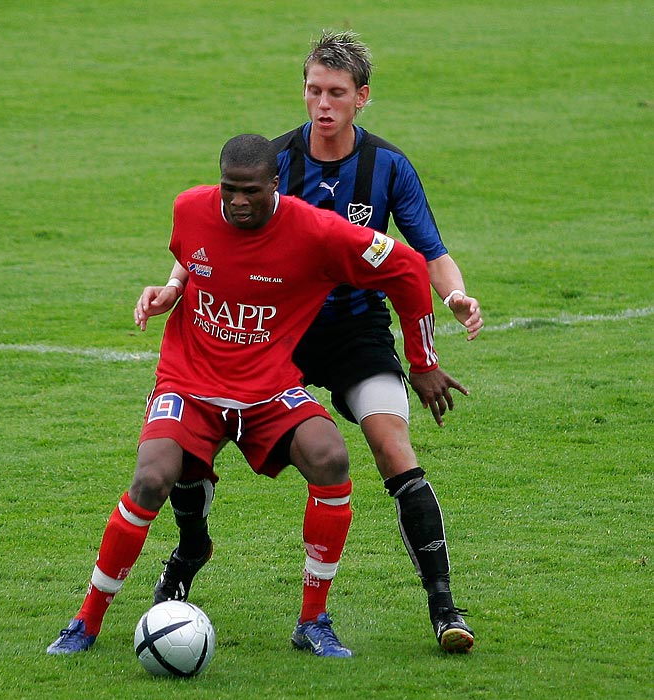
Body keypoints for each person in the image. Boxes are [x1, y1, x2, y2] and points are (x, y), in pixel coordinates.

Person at [48, 133, 467, 659]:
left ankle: (313, 621)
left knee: (330, 456)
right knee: (152, 476)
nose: (237, 202)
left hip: (268, 387)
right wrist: (172, 290)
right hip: (189, 381)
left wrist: (423, 361)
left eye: (250, 191)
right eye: (229, 189)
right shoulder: (189, 207)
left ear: (276, 184)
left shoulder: (316, 231)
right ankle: (85, 621)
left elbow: (406, 268)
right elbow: (192, 259)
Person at [138, 31, 481, 654]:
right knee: (196, 439)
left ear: (362, 98)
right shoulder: (270, 162)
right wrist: (172, 285)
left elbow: (428, 252)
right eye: (314, 90)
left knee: (390, 442)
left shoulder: (388, 166)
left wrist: (453, 299)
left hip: (354, 331)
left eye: (337, 93)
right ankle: (189, 553)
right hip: (274, 330)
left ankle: (445, 609)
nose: (323, 104)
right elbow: (208, 242)